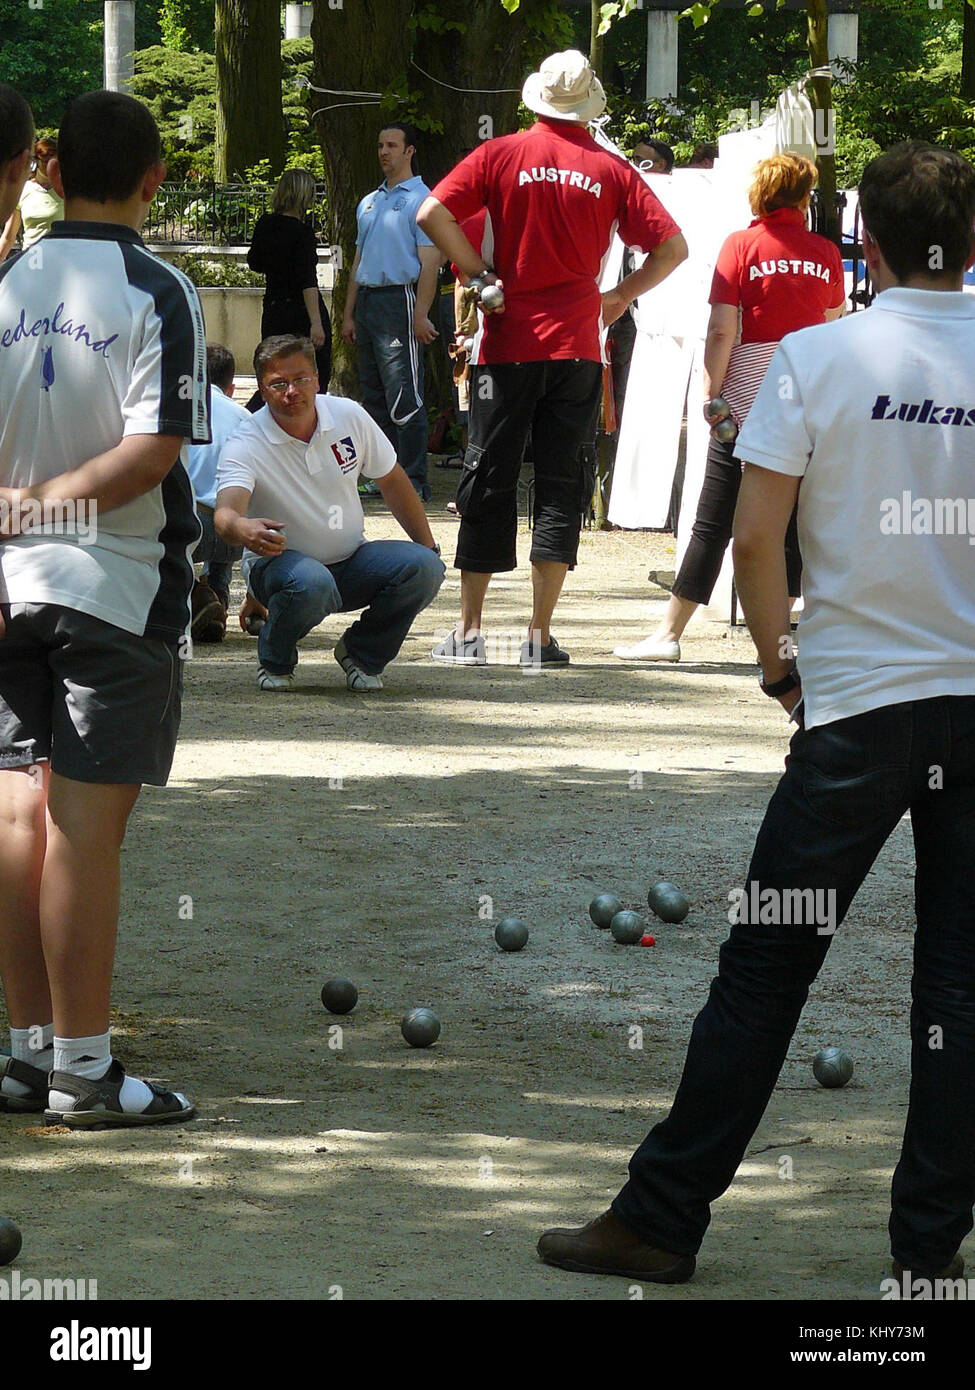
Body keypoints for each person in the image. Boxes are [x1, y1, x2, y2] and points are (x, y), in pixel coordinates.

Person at [538, 141, 975, 1288]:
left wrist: (785, 668)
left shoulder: (817, 356)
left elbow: (753, 535)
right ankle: (928, 1251)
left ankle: (664, 1213)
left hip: (854, 717)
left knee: (766, 965)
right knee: (961, 986)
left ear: (862, 242)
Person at [0, 89, 208, 1127]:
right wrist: (48, 505)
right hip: (111, 589)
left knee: (14, 817)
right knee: (81, 831)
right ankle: (83, 1069)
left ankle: (27, 1053)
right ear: (153, 179)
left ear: (50, 167)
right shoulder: (158, 286)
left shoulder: (4, 279)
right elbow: (152, 454)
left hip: (7, 585)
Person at [416, 49, 687, 668]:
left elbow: (431, 211)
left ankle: (470, 631)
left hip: (508, 339)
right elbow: (672, 248)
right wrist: (616, 297)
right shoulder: (612, 168)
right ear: (588, 104)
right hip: (577, 345)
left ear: (537, 98)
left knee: (489, 475)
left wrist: (480, 272)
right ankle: (539, 636)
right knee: (562, 482)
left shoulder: (501, 152)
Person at [614, 153, 845, 662]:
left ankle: (669, 634)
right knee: (792, 520)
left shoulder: (740, 245)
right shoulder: (826, 252)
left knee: (713, 517)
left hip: (745, 397)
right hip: (806, 392)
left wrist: (709, 394)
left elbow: (723, 329)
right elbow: (834, 325)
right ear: (805, 196)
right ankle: (783, 639)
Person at [214, 334, 445, 693]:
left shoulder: (348, 415)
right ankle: (275, 658)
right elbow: (225, 513)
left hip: (351, 559)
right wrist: (242, 527)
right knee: (311, 582)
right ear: (262, 388)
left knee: (425, 566)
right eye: (278, 383)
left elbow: (394, 481)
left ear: (317, 379)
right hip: (282, 569)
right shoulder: (246, 441)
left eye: (301, 379)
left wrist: (428, 547)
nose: (292, 391)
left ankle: (361, 654)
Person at [342, 122, 441, 502]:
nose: (384, 152)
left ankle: (414, 478)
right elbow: (358, 259)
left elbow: (429, 263)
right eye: (380, 145)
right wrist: (349, 313)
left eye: (392, 145)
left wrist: (421, 313)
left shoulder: (423, 200)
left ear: (409, 151)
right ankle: (381, 476)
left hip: (399, 300)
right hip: (368, 301)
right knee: (374, 394)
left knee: (404, 392)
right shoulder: (367, 202)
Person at [247, 168, 331, 402]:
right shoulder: (302, 233)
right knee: (315, 375)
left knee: (274, 371)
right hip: (299, 311)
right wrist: (316, 323)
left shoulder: (265, 225)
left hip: (273, 308)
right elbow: (307, 280)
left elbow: (254, 262)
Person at [185, 343, 250, 642]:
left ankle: (195, 594)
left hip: (189, 528)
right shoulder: (246, 419)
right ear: (232, 387)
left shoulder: (180, 409)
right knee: (229, 502)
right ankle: (218, 599)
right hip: (235, 533)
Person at [0, 136, 64, 263]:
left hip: (60, 262)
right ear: (35, 162)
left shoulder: (65, 191)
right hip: (30, 262)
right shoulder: (23, 190)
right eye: (44, 160)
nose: (48, 164)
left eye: (52, 158)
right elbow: (9, 236)